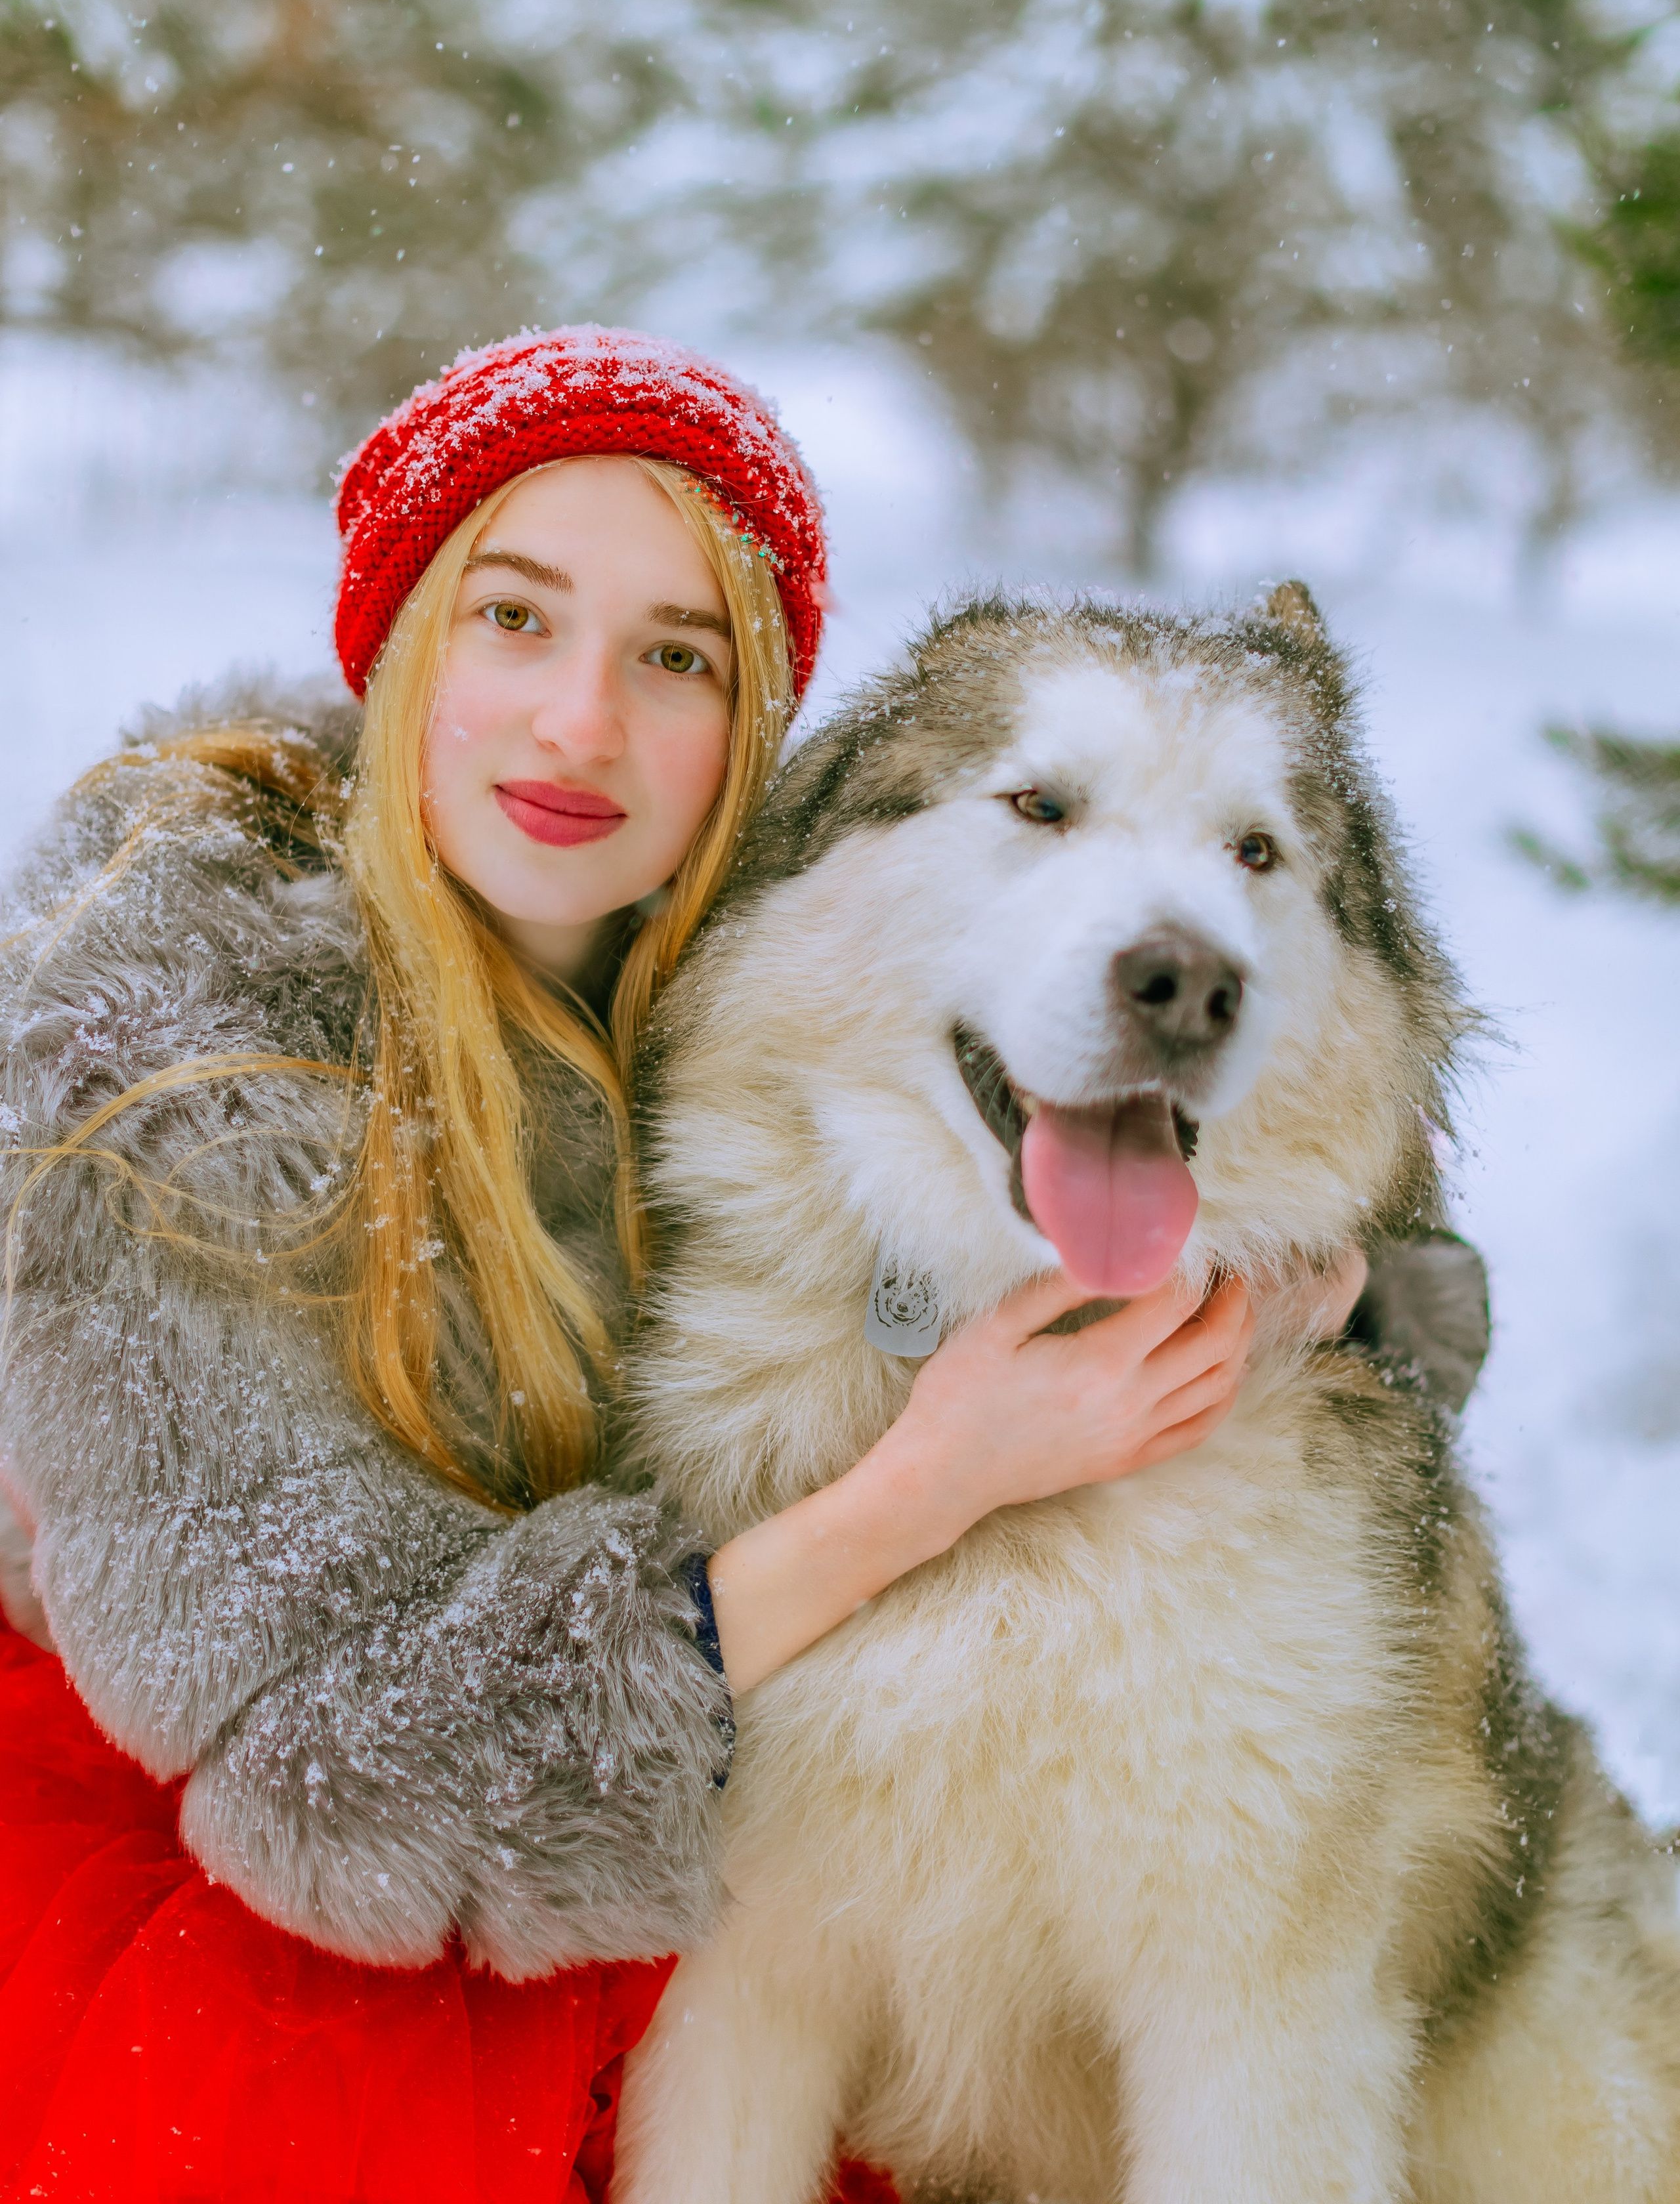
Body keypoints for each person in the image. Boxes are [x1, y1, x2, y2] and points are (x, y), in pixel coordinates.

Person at [0, 328, 1482, 2204]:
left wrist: (1326, 1284)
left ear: (761, 733)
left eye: (675, 657)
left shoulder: (710, 950)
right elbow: (332, 1783)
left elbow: (1284, 1115)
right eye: (512, 621)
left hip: (607, 1809)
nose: (581, 727)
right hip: (280, 1874)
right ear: (395, 646)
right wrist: (928, 1484)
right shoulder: (174, 1061)